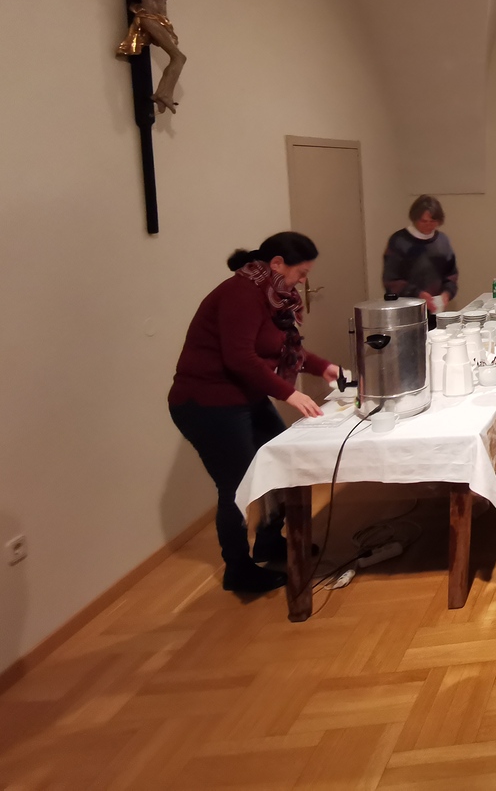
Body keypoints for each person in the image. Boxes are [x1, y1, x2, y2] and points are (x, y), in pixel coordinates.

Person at [168, 232, 340, 594]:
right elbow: (240, 358)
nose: (302, 281)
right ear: (277, 264)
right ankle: (238, 570)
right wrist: (290, 393)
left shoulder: (272, 296)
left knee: (279, 465)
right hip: (207, 403)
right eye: (301, 273)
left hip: (244, 398)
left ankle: (269, 542)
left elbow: (283, 347)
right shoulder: (240, 294)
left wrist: (324, 367)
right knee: (238, 486)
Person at [381, 195, 459, 324]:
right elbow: (391, 280)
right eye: (424, 221)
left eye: (433, 221)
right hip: (406, 315)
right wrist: (418, 294)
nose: (429, 225)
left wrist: (447, 293)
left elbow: (451, 274)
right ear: (415, 218)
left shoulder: (442, 241)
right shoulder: (399, 241)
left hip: (436, 314)